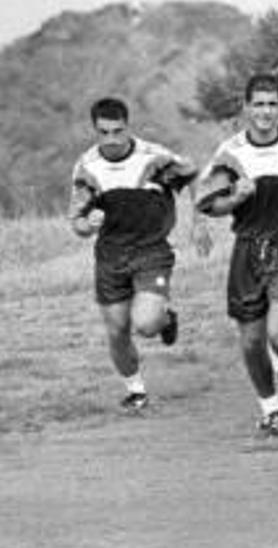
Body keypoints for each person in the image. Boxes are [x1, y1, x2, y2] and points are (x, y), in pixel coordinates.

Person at [196, 74, 278, 437]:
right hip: (248, 252)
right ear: (246, 108)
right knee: (252, 340)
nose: (266, 112)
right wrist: (236, 198)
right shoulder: (231, 152)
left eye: (272, 104)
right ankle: (270, 408)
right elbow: (210, 203)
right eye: (259, 104)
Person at [68, 97, 200, 412]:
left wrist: (200, 220)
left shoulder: (154, 158)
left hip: (151, 250)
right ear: (95, 131)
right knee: (117, 330)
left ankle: (165, 318)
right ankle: (136, 390)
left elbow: (193, 172)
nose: (112, 139)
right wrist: (88, 223)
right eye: (104, 132)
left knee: (146, 324)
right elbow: (76, 222)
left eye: (118, 131)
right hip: (111, 257)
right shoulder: (86, 167)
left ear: (128, 127)